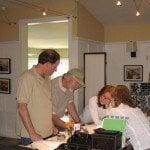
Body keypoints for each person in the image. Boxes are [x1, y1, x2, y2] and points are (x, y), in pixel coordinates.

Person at [16, 49, 60, 145]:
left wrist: (52, 126)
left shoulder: (47, 78)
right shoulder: (27, 77)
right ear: (47, 64)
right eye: (55, 66)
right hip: (32, 135)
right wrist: (32, 133)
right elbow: (21, 107)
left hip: (47, 133)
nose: (55, 70)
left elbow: (46, 105)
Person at [108, 85, 150, 150]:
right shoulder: (136, 109)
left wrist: (110, 107)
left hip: (142, 147)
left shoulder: (115, 110)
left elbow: (110, 134)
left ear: (114, 98)